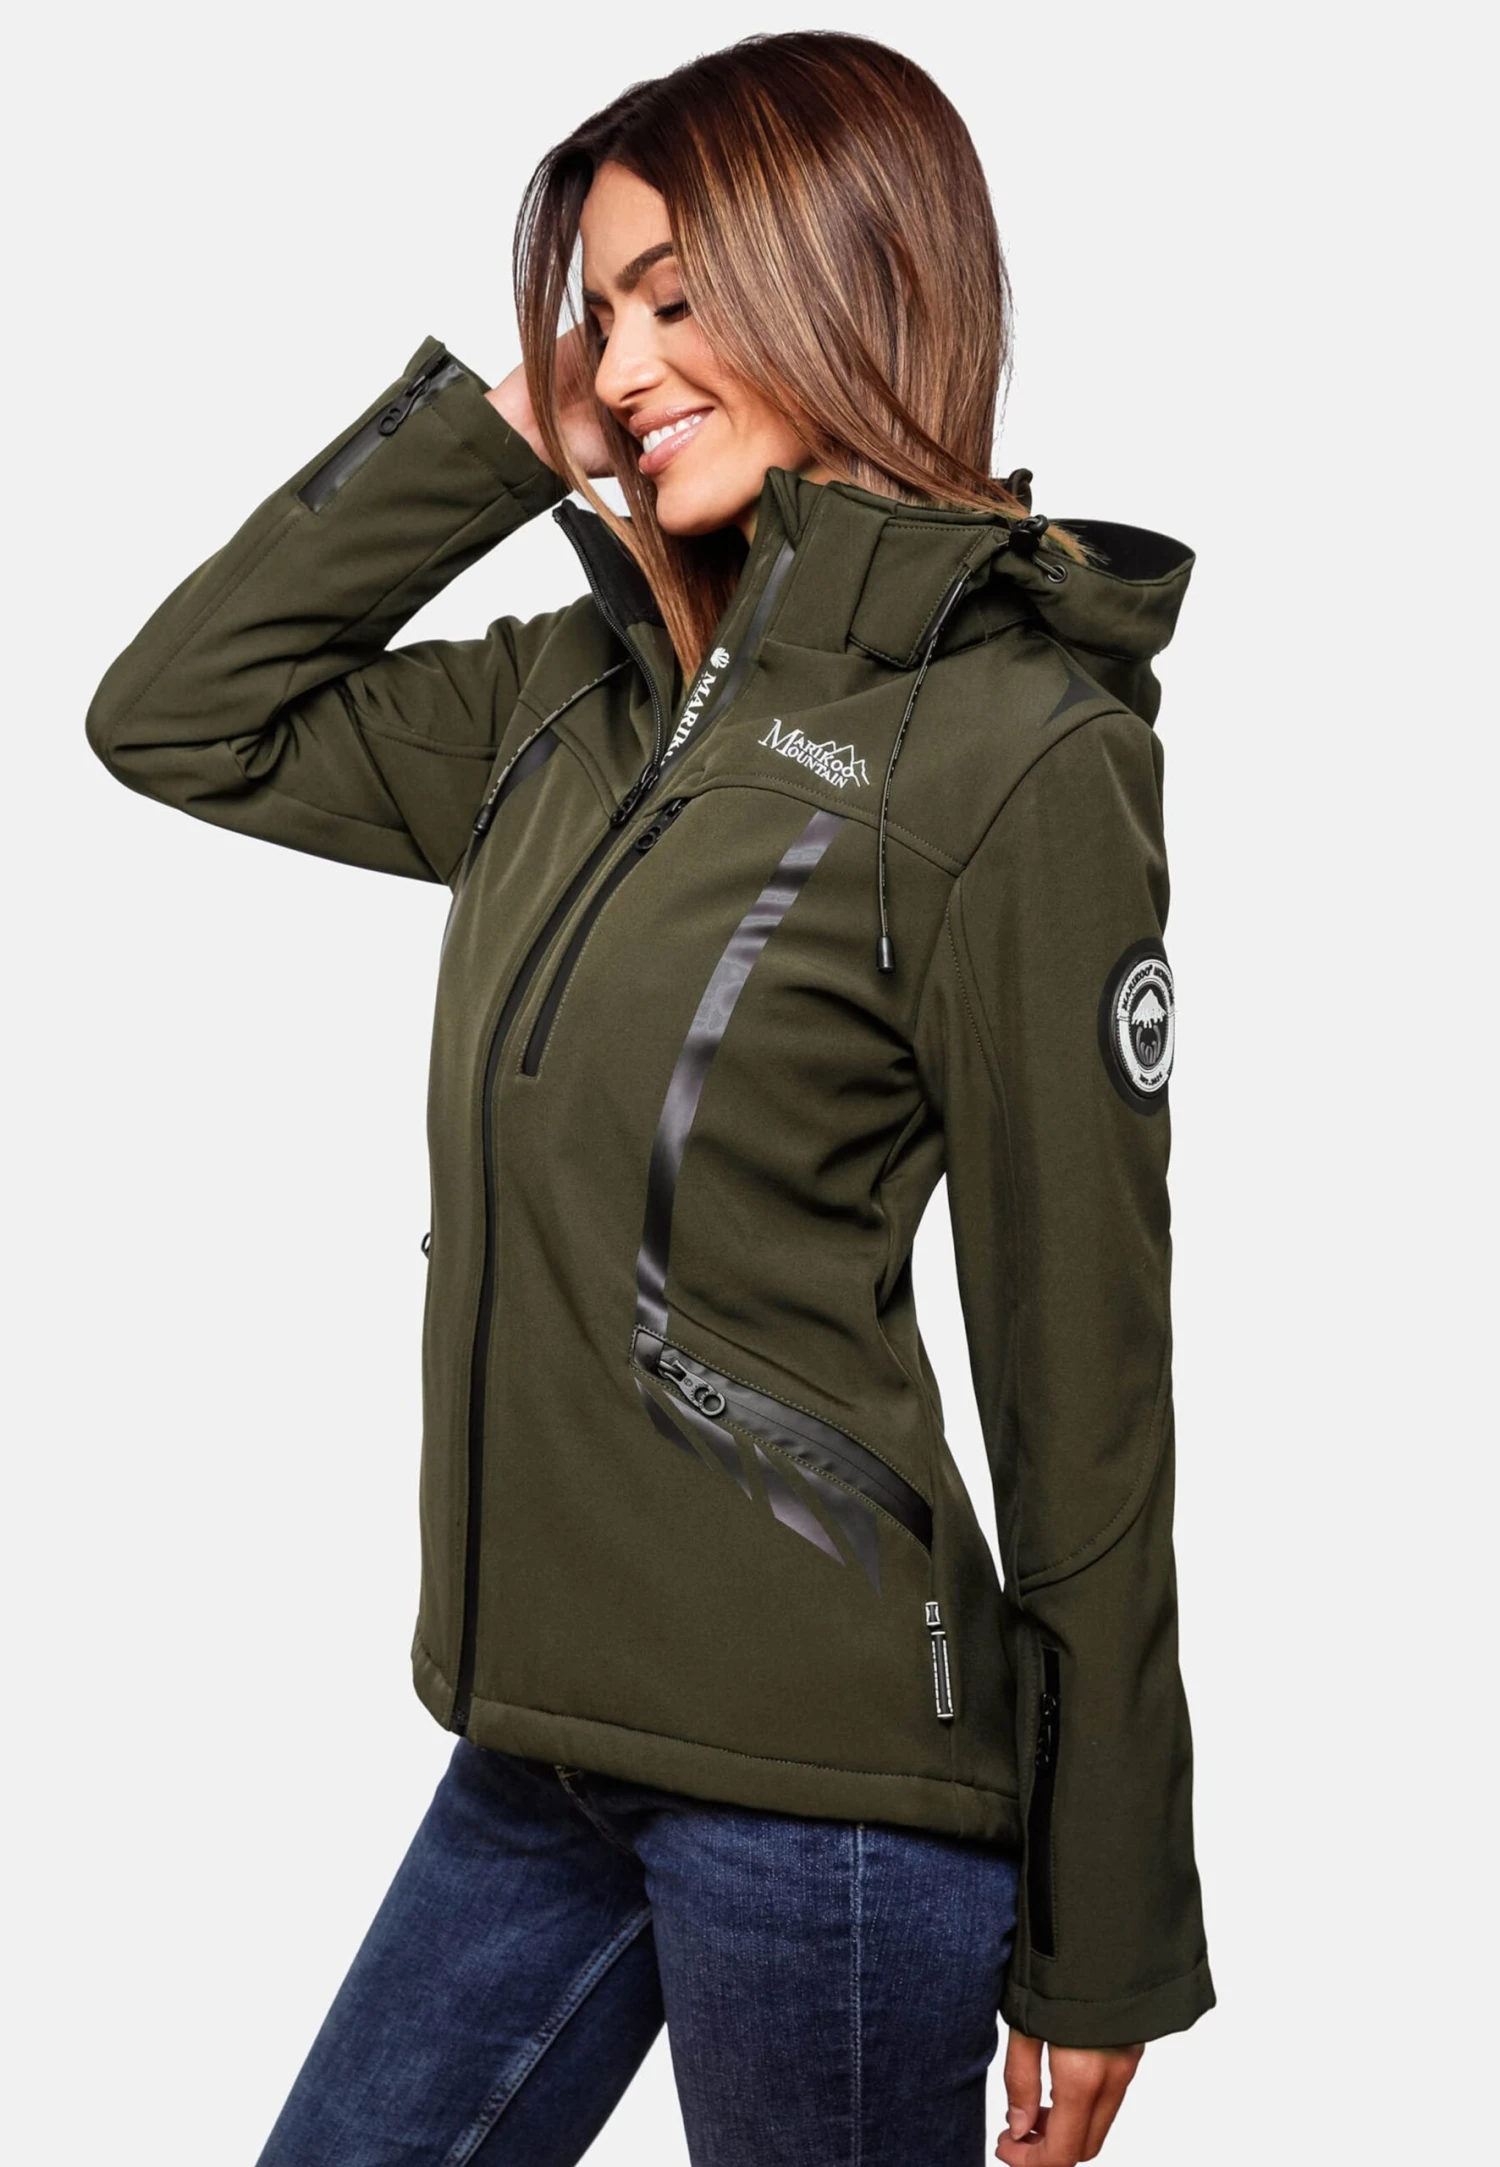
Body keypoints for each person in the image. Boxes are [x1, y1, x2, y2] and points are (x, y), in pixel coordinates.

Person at [85, 30, 1213, 2167]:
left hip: (829, 1798)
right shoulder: (569, 700)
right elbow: (178, 717)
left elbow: (1087, 1384)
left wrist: (1111, 1931)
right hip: (543, 1756)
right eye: (597, 312)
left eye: (677, 298)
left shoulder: (1017, 757)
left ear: (856, 281)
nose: (621, 363)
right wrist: (512, 422)